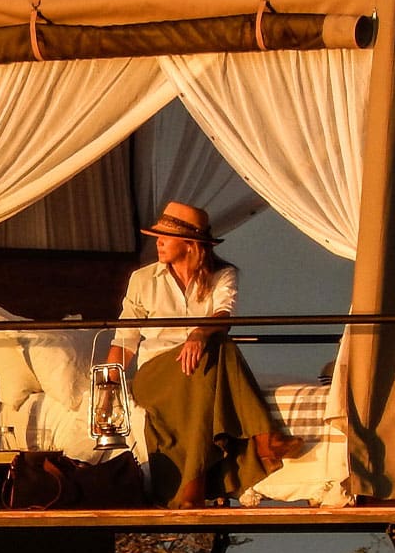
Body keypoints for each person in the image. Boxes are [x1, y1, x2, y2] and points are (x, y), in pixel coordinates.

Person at [106, 201, 298, 507]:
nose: (158, 243)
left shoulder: (222, 275)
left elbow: (225, 313)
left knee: (215, 349)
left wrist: (199, 333)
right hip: (156, 374)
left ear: (189, 244)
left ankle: (192, 484)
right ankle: (263, 436)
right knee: (221, 348)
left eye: (165, 238)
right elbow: (125, 340)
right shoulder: (143, 280)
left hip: (200, 366)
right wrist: (106, 388)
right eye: (158, 237)